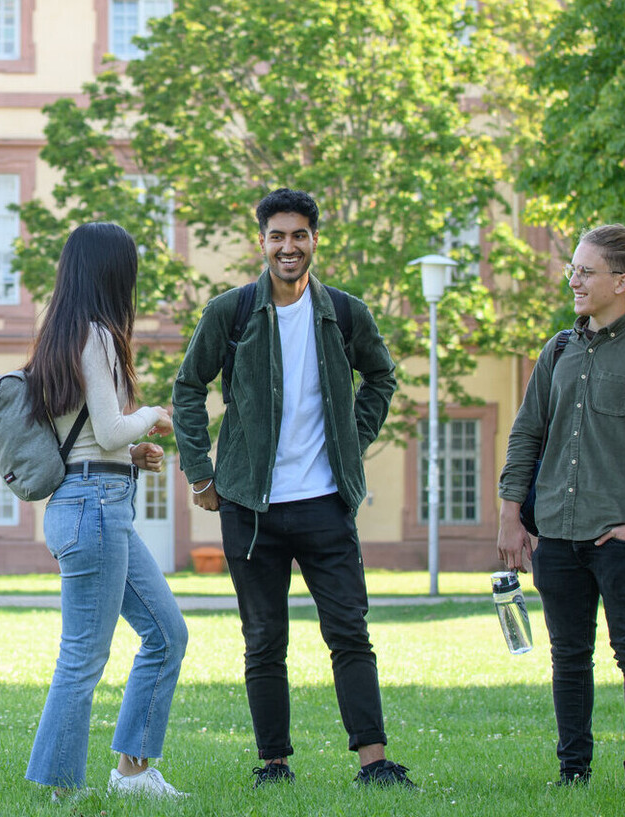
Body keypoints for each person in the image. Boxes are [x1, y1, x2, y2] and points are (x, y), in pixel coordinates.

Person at [171, 188, 411, 789]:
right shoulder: (230, 312)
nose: (288, 246)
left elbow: (381, 376)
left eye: (298, 235)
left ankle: (374, 764)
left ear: (313, 240)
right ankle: (274, 764)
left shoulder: (346, 314)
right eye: (277, 236)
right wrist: (200, 470)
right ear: (262, 242)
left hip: (326, 503)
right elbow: (187, 387)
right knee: (263, 638)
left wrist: (349, 442)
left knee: (350, 632)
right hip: (251, 507)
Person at [496, 223, 625, 788]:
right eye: (573, 270)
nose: (574, 281)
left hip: (622, 538)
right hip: (556, 534)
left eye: (586, 271)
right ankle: (573, 771)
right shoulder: (557, 349)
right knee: (568, 656)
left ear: (622, 280)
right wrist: (512, 516)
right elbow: (526, 434)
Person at [24, 222, 189, 799]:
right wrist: (153, 416)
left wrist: (129, 452)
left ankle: (133, 776)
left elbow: (92, 433)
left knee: (167, 634)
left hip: (96, 501)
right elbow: (113, 423)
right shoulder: (92, 334)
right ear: (111, 272)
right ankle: (59, 789)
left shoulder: (62, 333)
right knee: (83, 659)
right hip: (92, 508)